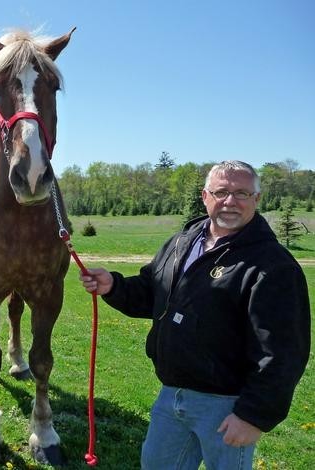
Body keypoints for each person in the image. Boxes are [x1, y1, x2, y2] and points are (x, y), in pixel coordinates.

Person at [80, 161, 310, 469]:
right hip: (171, 395)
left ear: (257, 199)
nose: (230, 201)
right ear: (205, 197)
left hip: (227, 406)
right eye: (221, 192)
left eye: (242, 193)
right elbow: (151, 292)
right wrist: (113, 286)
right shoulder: (182, 243)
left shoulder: (272, 265)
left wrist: (253, 416)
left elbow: (283, 353)